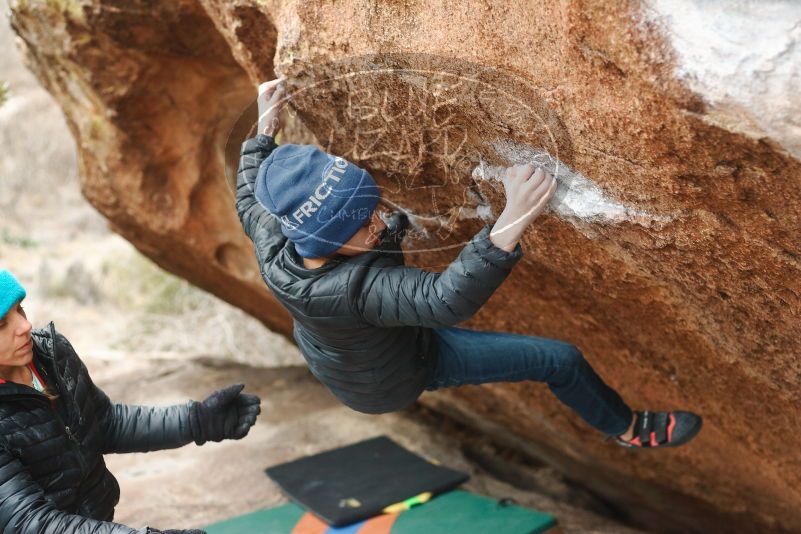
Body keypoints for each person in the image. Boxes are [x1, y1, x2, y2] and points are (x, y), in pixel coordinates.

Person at [235, 78, 701, 448]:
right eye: (362, 223)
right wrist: (513, 215)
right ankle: (630, 429)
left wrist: (264, 128)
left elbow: (250, 186)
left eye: (372, 206)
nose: (379, 221)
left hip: (360, 346)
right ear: (327, 239)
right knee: (560, 360)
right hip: (395, 375)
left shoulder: (275, 228)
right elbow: (445, 301)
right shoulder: (349, 291)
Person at [0, 270, 261, 533]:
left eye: (20, 310)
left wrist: (198, 421)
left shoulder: (52, 355)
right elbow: (28, 522)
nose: (25, 326)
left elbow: (105, 423)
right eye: (2, 324)